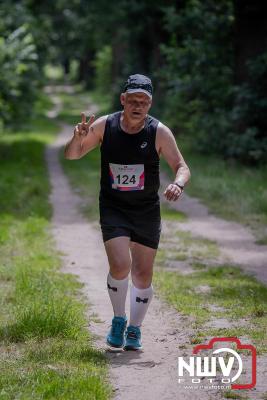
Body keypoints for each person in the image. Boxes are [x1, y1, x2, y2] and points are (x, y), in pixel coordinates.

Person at [64, 74, 191, 351]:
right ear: (123, 100)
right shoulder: (105, 126)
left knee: (143, 274)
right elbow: (73, 155)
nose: (137, 106)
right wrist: (78, 139)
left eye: (143, 102)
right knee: (120, 265)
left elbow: (181, 166)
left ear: (150, 103)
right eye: (132, 100)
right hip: (114, 207)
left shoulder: (159, 132)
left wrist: (178, 183)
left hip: (146, 210)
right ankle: (119, 320)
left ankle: (135, 329)